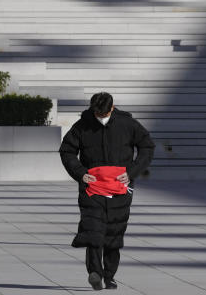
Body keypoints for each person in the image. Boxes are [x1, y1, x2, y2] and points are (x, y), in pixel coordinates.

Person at [59, 92, 155, 290]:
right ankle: (95, 272)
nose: (100, 117)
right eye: (97, 113)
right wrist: (80, 173)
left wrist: (132, 172)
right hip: (92, 187)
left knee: (113, 233)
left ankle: (109, 276)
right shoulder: (83, 125)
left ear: (112, 108)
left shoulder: (127, 124)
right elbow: (67, 150)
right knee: (93, 231)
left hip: (120, 187)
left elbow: (147, 146)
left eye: (103, 113)